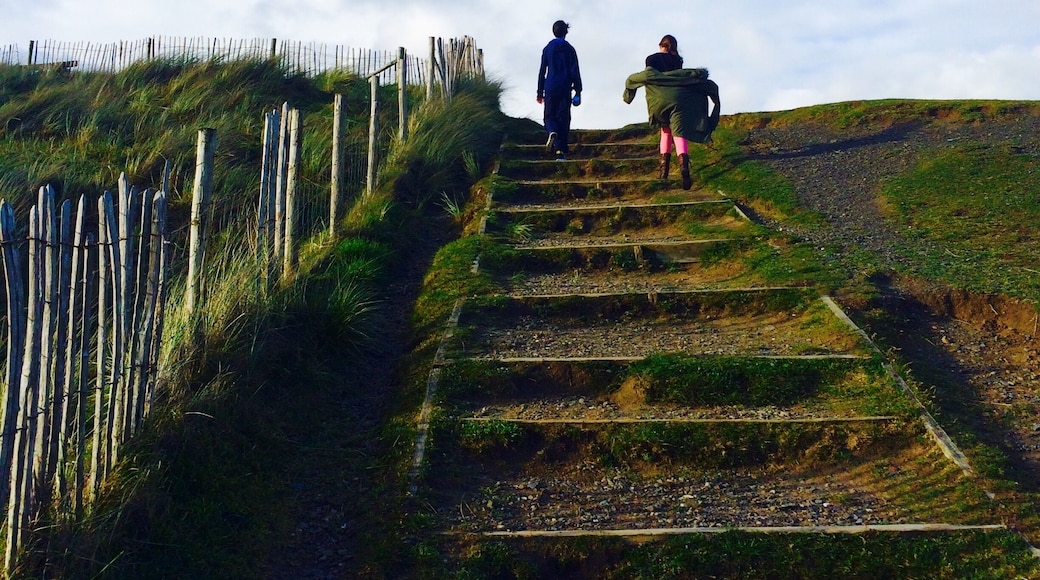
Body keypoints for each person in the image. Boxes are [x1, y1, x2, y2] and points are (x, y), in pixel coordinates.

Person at [623, 35, 720, 189]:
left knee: (665, 132)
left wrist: (628, 94)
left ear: (660, 45)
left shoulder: (651, 59)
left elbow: (647, 77)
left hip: (660, 101)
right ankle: (684, 169)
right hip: (679, 101)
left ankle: (663, 173)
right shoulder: (677, 61)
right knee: (679, 133)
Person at [537, 20, 582, 161]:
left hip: (550, 86)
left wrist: (539, 92)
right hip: (565, 86)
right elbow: (575, 71)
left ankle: (552, 131)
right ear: (566, 32)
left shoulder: (547, 49)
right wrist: (578, 91)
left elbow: (542, 71)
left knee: (549, 115)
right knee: (563, 117)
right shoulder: (570, 49)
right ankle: (560, 151)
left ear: (553, 31)